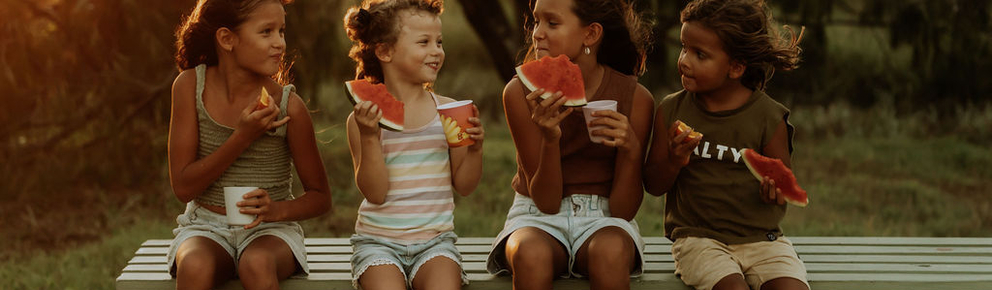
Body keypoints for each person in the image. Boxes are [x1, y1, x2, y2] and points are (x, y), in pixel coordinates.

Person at [484, 0, 655, 289]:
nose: (537, 33)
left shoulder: (637, 99)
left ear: (590, 34)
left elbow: (624, 210)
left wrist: (631, 150)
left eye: (552, 23)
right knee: (530, 254)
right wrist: (550, 140)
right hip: (536, 217)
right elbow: (546, 202)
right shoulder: (518, 93)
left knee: (610, 253)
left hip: (605, 218)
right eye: (536, 21)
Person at [642, 0, 807, 289]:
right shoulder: (671, 110)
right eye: (684, 48)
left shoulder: (769, 117)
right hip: (699, 240)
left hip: (764, 241)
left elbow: (783, 188)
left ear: (736, 67)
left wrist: (774, 193)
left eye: (700, 55)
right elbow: (653, 185)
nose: (684, 60)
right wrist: (674, 161)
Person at [167, 0, 332, 289]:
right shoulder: (189, 87)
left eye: (281, 31)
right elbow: (183, 187)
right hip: (205, 226)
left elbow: (320, 197)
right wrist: (242, 137)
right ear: (227, 39)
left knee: (255, 264)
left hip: (271, 231)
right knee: (194, 264)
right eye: (266, 32)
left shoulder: (288, 106)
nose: (279, 43)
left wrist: (275, 210)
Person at [342, 0, 485, 289]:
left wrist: (475, 149)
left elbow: (466, 186)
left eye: (439, 42)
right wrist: (370, 137)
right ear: (384, 51)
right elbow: (376, 193)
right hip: (377, 244)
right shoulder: (362, 120)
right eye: (424, 42)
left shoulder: (450, 111)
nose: (436, 51)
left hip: (436, 244)